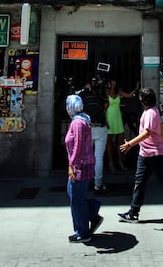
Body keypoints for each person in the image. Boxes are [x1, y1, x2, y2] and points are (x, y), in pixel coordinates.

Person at [117, 87, 163, 224]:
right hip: (146, 153)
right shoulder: (151, 111)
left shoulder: (151, 113)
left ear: (143, 100)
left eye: (140, 97)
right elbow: (161, 130)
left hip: (154, 154)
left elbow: (147, 133)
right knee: (140, 183)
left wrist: (130, 144)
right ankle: (133, 212)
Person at [65, 94, 104, 243]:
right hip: (84, 164)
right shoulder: (82, 120)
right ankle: (92, 213)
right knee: (74, 194)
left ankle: (83, 232)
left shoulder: (78, 123)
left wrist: (72, 165)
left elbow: (78, 146)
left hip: (80, 166)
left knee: (76, 199)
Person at [79, 77, 109, 194]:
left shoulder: (83, 95)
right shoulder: (100, 94)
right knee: (99, 157)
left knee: (86, 156)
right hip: (100, 127)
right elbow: (106, 104)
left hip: (87, 128)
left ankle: (85, 181)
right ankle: (98, 184)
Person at [106, 77, 140, 172]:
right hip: (109, 117)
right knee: (109, 141)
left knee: (120, 142)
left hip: (117, 118)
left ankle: (120, 161)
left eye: (114, 83)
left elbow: (129, 95)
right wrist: (105, 121)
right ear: (108, 83)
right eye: (111, 83)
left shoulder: (118, 92)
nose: (113, 84)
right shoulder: (105, 92)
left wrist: (136, 88)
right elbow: (104, 108)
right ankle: (111, 162)